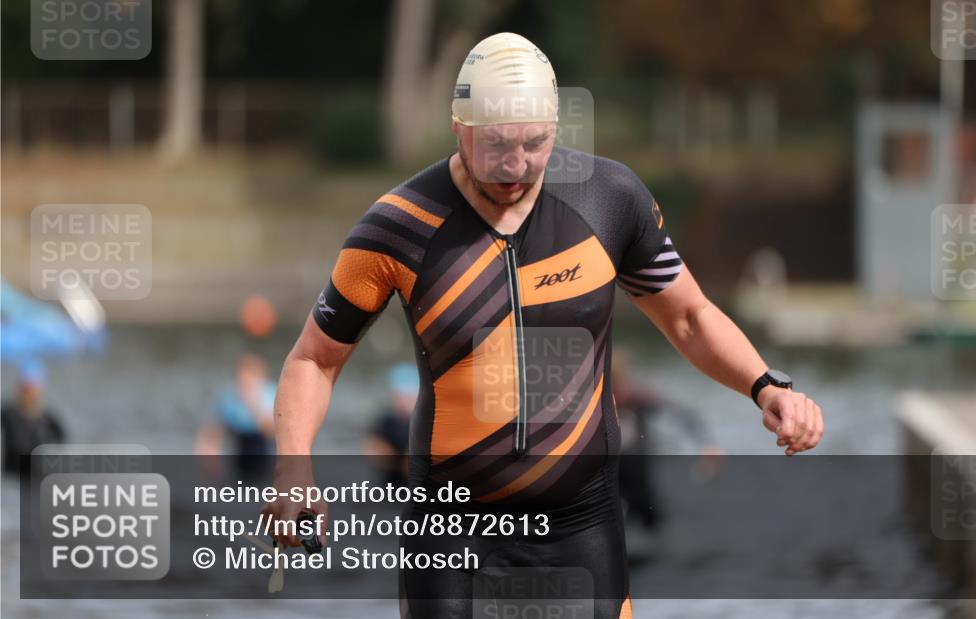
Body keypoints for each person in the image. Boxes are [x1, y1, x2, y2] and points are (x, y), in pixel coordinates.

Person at [263, 32, 824, 619]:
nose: (515, 165)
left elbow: (689, 316)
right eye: (496, 145)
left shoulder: (609, 199)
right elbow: (314, 360)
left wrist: (767, 386)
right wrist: (294, 464)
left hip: (582, 524)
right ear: (459, 127)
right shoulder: (398, 227)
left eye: (534, 144)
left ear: (556, 128)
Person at [611, 351, 724, 535]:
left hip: (637, 464)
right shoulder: (592, 403)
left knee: (648, 508)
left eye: (617, 383)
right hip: (607, 467)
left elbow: (683, 415)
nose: (616, 392)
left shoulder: (637, 398)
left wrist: (707, 444)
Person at [196, 353, 277, 477]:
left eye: (250, 377)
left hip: (264, 450)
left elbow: (273, 430)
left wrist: (252, 403)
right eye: (241, 377)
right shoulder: (230, 398)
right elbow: (213, 431)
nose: (244, 381)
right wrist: (209, 458)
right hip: (240, 450)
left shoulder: (271, 394)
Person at [1, 360, 65, 475]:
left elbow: (62, 440)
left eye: (33, 389)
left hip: (34, 475)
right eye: (26, 389)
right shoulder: (8, 413)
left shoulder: (47, 418)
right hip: (11, 475)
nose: (30, 394)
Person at [364, 363, 419, 487]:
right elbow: (372, 447)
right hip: (391, 480)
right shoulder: (386, 421)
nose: (403, 401)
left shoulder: (425, 422)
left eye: (407, 397)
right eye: (399, 396)